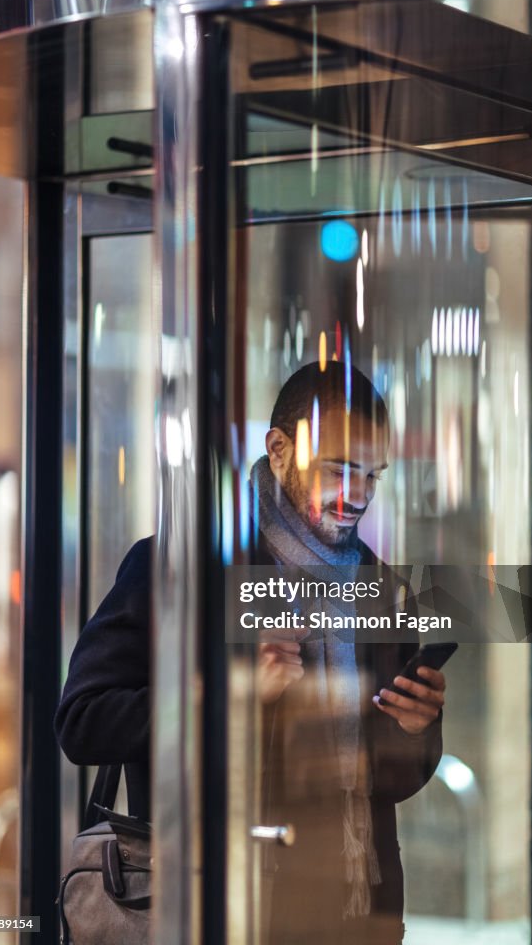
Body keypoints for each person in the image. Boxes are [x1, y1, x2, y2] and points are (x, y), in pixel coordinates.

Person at [55, 361, 445, 944]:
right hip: (225, 903)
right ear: (279, 449)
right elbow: (82, 722)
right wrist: (225, 694)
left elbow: (388, 780)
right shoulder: (180, 567)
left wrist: (416, 730)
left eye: (372, 475)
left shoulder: (384, 587)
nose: (357, 495)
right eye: (340, 470)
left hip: (358, 911)